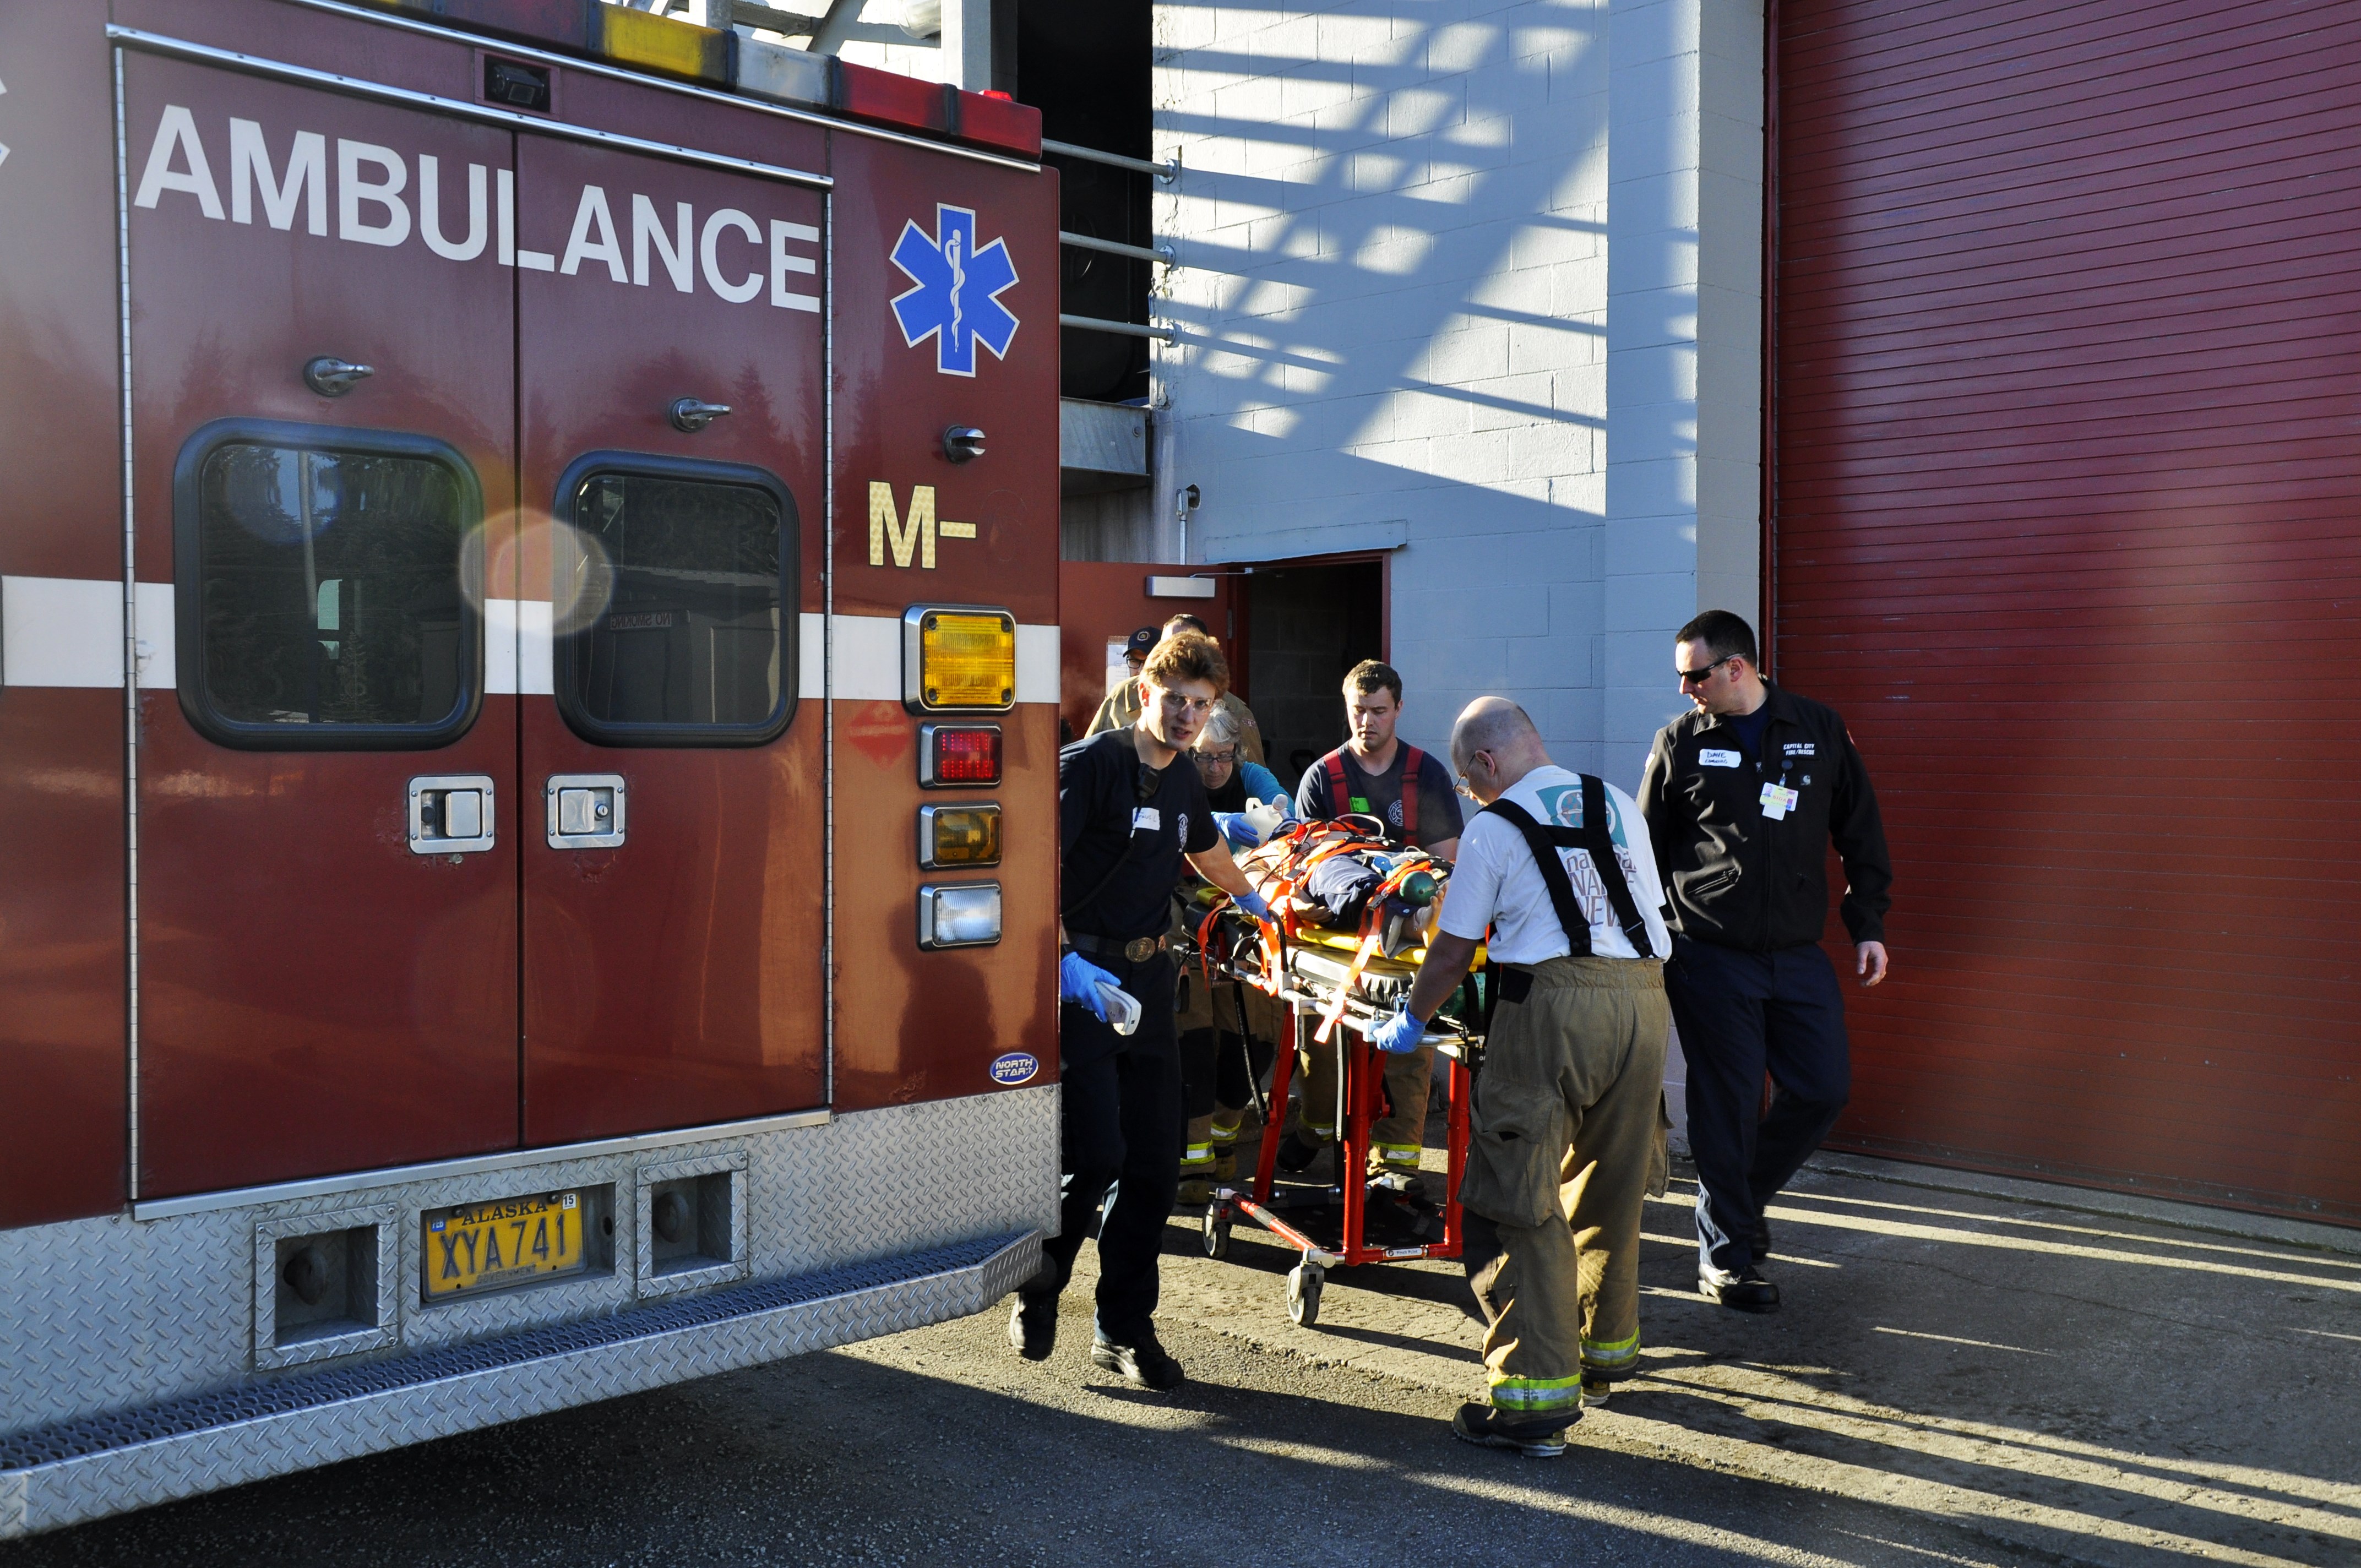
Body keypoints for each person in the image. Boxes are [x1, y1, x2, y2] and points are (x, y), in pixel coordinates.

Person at [1368, 697, 1671, 1457]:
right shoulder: (1616, 805)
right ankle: (1603, 1359)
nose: (1469, 795)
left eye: (1470, 782)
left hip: (1549, 1012)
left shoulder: (1495, 829)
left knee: (1520, 1196)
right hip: (1643, 1004)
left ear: (1488, 764)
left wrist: (1411, 1021)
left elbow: (1451, 951)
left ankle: (1534, 1404)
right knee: (1609, 1183)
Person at [1016, 631, 1275, 1391]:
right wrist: (1064, 963)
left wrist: (1256, 900)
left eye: (1203, 704)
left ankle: (1123, 1330)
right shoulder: (1090, 767)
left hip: (1150, 981)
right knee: (1097, 1156)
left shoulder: (1186, 781)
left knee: (1156, 1168)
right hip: (1083, 983)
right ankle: (1040, 1281)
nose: (1190, 715)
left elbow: (1206, 852)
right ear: (1143, 694)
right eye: (1177, 700)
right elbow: (1034, 870)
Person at [1636, 610, 1892, 1314]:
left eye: (1695, 675)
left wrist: (1866, 922)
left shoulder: (1815, 727)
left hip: (1797, 954)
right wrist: (1652, 935)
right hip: (1710, 954)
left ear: (1736, 668)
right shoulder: (1679, 742)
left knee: (1822, 1088)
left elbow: (1860, 828)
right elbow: (1644, 848)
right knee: (1728, 1102)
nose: (1686, 688)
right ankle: (1726, 1259)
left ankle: (1736, 1205)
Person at [1281, 660, 1464, 1184]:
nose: (1367, 722)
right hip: (1335, 941)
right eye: (1358, 711)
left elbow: (1445, 866)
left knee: (1411, 1047)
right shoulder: (1324, 777)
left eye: (1379, 711)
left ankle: (1394, 1167)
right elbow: (1307, 867)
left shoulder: (1425, 775)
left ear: (1398, 710)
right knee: (1325, 1040)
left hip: (1406, 940)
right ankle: (1318, 1128)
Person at [1172, 705, 1291, 1204]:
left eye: (1223, 758)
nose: (1214, 769)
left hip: (1239, 902)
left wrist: (1277, 815)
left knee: (1258, 1030)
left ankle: (1224, 1135)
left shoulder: (1251, 775)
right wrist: (1215, 822)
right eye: (1204, 758)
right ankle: (1191, 1161)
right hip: (1180, 906)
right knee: (1193, 1032)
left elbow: (1281, 809)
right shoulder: (1176, 774)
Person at [1087, 614, 1267, 766]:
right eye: (1170, 644)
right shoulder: (1126, 693)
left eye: (1201, 704)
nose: (1178, 651)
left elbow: (1253, 772)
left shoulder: (1235, 709)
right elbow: (1090, 753)